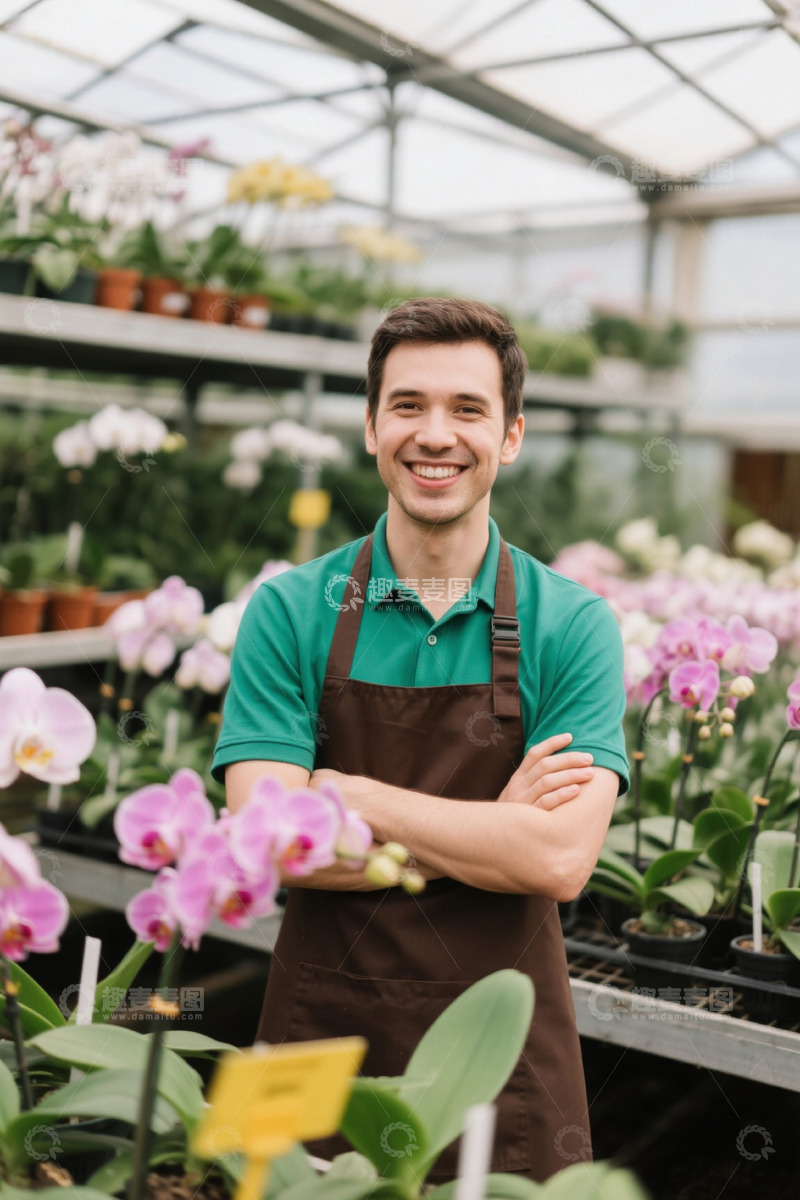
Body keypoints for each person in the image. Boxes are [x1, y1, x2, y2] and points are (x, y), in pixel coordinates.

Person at [211, 297, 629, 1182]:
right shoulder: (290, 610)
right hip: (313, 1041)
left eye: (467, 409)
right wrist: (490, 832)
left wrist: (350, 799)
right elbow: (266, 847)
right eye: (407, 406)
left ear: (510, 436)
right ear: (370, 426)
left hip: (502, 1052)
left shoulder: (573, 623)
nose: (434, 434)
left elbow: (557, 861)